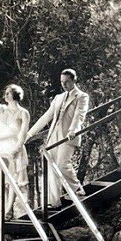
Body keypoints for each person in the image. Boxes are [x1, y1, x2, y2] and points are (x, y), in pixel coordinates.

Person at [27, 68, 89, 206]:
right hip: (53, 136)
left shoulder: (81, 96)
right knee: (51, 168)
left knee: (62, 164)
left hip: (68, 136)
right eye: (62, 82)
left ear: (74, 80)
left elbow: (80, 115)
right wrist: (30, 133)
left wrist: (73, 130)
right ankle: (54, 202)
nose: (64, 85)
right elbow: (46, 117)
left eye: (67, 82)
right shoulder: (58, 98)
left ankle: (77, 188)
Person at [0, 84, 30, 217]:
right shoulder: (1, 110)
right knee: (1, 181)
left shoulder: (23, 112)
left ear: (15, 95)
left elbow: (23, 134)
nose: (5, 95)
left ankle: (9, 210)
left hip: (13, 148)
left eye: (8, 93)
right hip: (0, 147)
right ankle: (3, 209)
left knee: (12, 181)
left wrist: (16, 150)